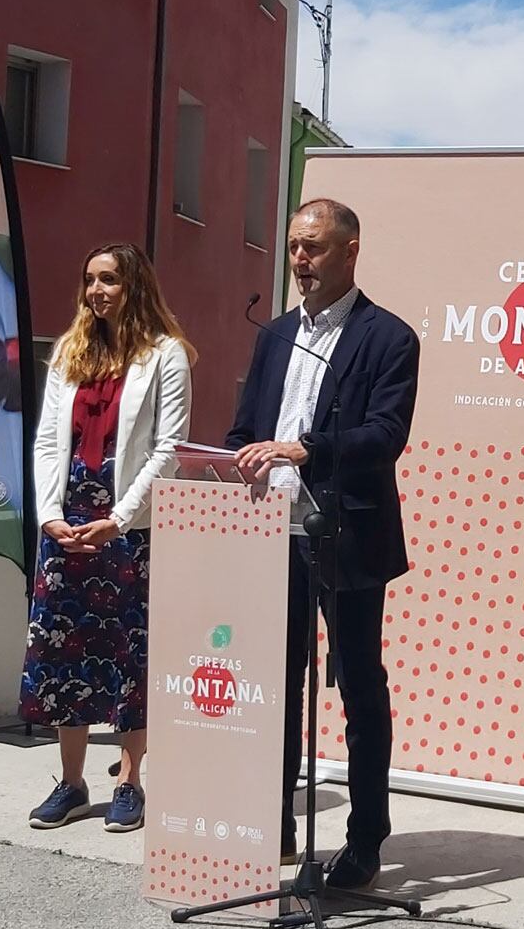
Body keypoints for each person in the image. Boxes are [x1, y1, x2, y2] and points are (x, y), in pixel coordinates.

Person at [226, 198, 420, 889]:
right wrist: (235, 457)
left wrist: (306, 449)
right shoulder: (273, 333)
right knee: (274, 682)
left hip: (349, 533)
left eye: (313, 248)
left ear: (350, 250)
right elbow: (245, 426)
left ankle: (365, 840)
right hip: (268, 533)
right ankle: (270, 825)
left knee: (359, 687)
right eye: (294, 248)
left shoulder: (389, 338)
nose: (300, 261)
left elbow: (384, 436)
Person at [21, 242, 194, 833]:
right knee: (61, 650)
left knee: (129, 653)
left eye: (110, 281)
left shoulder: (165, 355)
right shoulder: (70, 352)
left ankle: (129, 780)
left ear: (135, 286)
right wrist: (48, 514)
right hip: (66, 524)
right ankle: (71, 783)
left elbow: (169, 450)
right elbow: (48, 442)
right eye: (90, 279)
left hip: (129, 529)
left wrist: (119, 518)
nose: (97, 291)